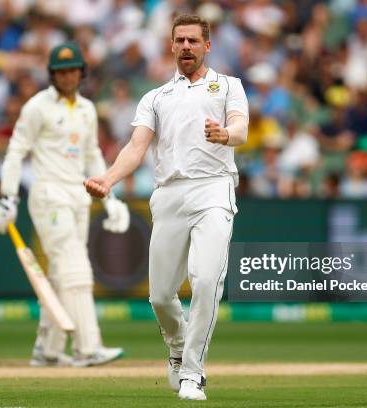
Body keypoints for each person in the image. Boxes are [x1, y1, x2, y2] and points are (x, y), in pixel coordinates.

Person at [84, 15, 248, 400]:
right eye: (180, 40)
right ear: (172, 46)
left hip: (213, 189)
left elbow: (240, 127)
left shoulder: (228, 86)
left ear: (207, 46)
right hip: (169, 193)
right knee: (160, 295)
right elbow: (137, 148)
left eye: (194, 40)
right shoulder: (156, 97)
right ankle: (176, 347)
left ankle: (193, 373)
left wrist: (226, 135)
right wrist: (108, 179)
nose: (187, 46)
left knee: (207, 280)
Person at [0, 42, 129, 367]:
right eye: (61, 71)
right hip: (49, 195)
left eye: (73, 70)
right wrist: (8, 196)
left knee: (60, 275)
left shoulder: (87, 110)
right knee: (76, 269)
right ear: (52, 74)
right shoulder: (37, 107)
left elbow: (92, 154)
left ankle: (48, 350)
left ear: (81, 73)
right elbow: (15, 151)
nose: (68, 76)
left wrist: (110, 197)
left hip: (78, 196)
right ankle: (87, 348)